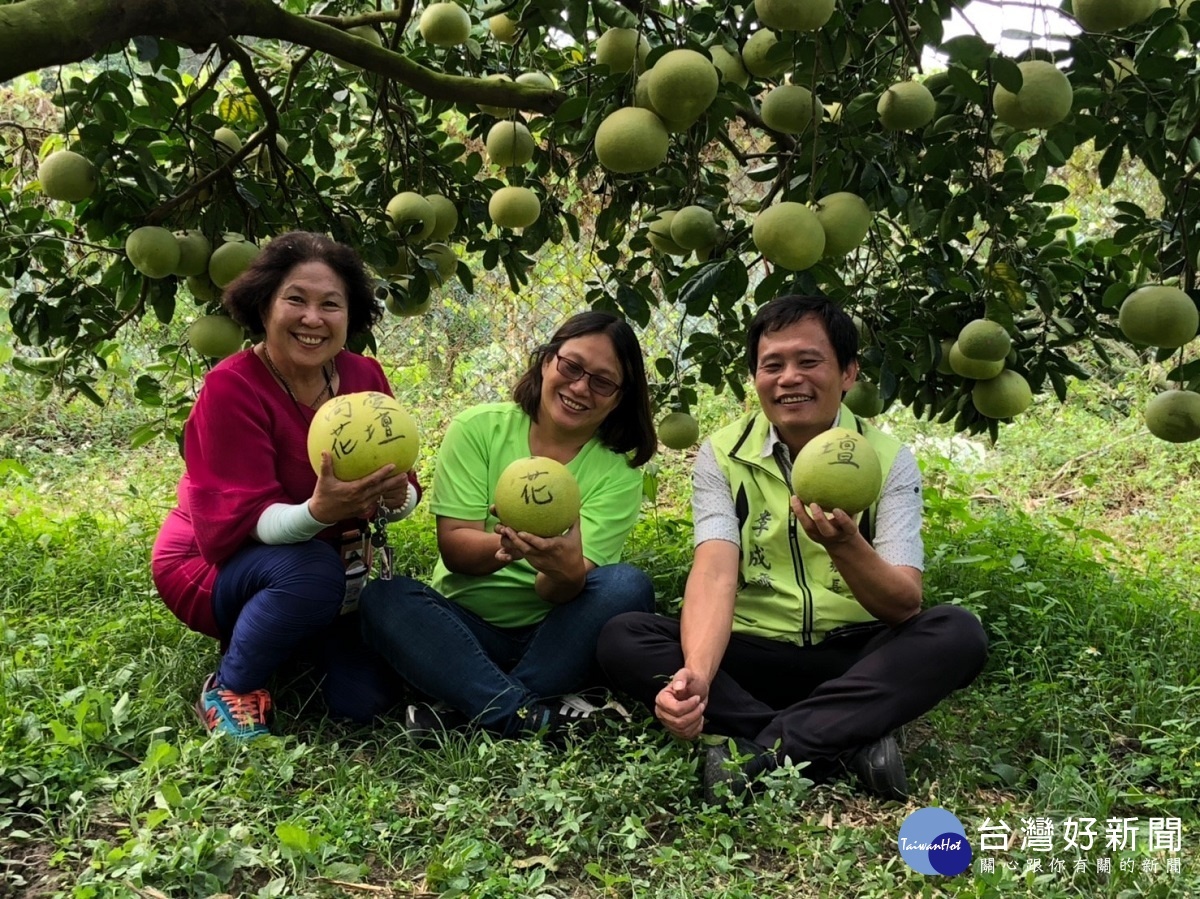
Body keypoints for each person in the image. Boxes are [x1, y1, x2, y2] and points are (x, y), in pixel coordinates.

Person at [596, 295, 988, 802]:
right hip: (751, 653)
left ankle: (761, 752)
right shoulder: (723, 455)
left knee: (957, 633)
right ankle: (844, 741)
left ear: (847, 373)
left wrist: (848, 546)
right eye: (772, 365)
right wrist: (697, 675)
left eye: (809, 361)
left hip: (855, 654)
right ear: (756, 377)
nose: (789, 378)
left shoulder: (888, 460)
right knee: (624, 636)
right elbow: (715, 570)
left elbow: (903, 603)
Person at [152, 231, 420, 740]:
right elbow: (241, 521)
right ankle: (230, 685)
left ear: (350, 315)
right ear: (264, 304)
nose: (313, 318)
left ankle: (285, 633)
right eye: (296, 299)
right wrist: (321, 511)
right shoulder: (231, 387)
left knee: (365, 701)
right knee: (311, 574)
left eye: (331, 304)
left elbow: (405, 485)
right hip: (216, 562)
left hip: (328, 562)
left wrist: (394, 498)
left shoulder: (365, 374)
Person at [359, 311, 658, 743]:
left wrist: (559, 567)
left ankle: (473, 705)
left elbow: (558, 589)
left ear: (619, 398)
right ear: (546, 361)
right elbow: (456, 552)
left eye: (602, 382)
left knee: (626, 586)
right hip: (464, 628)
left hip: (556, 633)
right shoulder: (478, 429)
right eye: (571, 367)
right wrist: (510, 548)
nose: (579, 388)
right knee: (384, 597)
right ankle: (526, 714)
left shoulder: (618, 470)